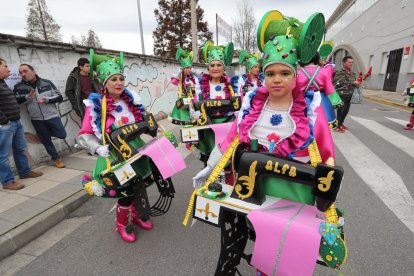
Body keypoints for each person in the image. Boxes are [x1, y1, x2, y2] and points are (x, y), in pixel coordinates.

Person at [191, 11, 343, 275]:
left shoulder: (311, 110)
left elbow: (326, 155)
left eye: (284, 72)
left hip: (293, 195)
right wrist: (210, 168)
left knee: (284, 252)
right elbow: (230, 141)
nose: (276, 78)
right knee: (261, 242)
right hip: (256, 188)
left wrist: (326, 195)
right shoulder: (253, 106)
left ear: (295, 75)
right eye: (270, 72)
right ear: (263, 74)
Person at [77, 50, 185, 243]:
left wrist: (158, 131)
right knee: (126, 192)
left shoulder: (132, 100)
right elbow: (84, 134)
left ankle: (136, 216)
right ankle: (122, 224)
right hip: (115, 156)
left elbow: (145, 122)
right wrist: (96, 147)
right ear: (104, 83)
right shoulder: (95, 105)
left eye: (121, 78)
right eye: (113, 80)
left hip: (137, 152)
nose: (119, 83)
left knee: (139, 186)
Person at [191, 40, 236, 164]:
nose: (215, 68)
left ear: (224, 67)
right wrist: (196, 115)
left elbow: (238, 106)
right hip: (209, 128)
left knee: (228, 162)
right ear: (208, 68)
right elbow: (195, 105)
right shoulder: (200, 85)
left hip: (228, 127)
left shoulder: (233, 84)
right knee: (210, 161)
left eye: (219, 65)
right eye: (212, 65)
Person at [0, 58, 43, 190]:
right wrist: (4, 121)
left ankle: (24, 172)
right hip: (6, 125)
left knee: (20, 148)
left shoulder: (2, 82)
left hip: (16, 122)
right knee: (2, 155)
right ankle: (7, 181)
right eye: (5, 66)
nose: (8, 69)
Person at [14, 64, 66, 168]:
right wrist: (27, 97)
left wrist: (47, 100)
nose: (23, 74)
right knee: (46, 140)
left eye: (25, 71)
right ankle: (56, 158)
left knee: (62, 134)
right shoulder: (18, 87)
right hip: (36, 119)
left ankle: (45, 134)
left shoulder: (46, 82)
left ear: (33, 71)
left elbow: (59, 97)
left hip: (52, 116)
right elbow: (15, 101)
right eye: (20, 73)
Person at [333, 56, 362, 132]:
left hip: (350, 94)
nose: (351, 64)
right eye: (349, 62)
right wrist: (353, 83)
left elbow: (354, 82)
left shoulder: (352, 73)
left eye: (352, 62)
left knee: (346, 110)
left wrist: (357, 84)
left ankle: (341, 123)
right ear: (344, 63)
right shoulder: (340, 72)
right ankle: (337, 126)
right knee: (341, 110)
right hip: (342, 94)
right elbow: (338, 82)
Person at [170, 47, 197, 125]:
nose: (189, 70)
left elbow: (200, 80)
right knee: (185, 121)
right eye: (187, 68)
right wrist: (179, 73)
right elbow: (174, 81)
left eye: (190, 68)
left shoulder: (192, 78)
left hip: (193, 101)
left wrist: (194, 72)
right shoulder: (180, 77)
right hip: (184, 102)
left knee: (195, 121)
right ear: (183, 68)